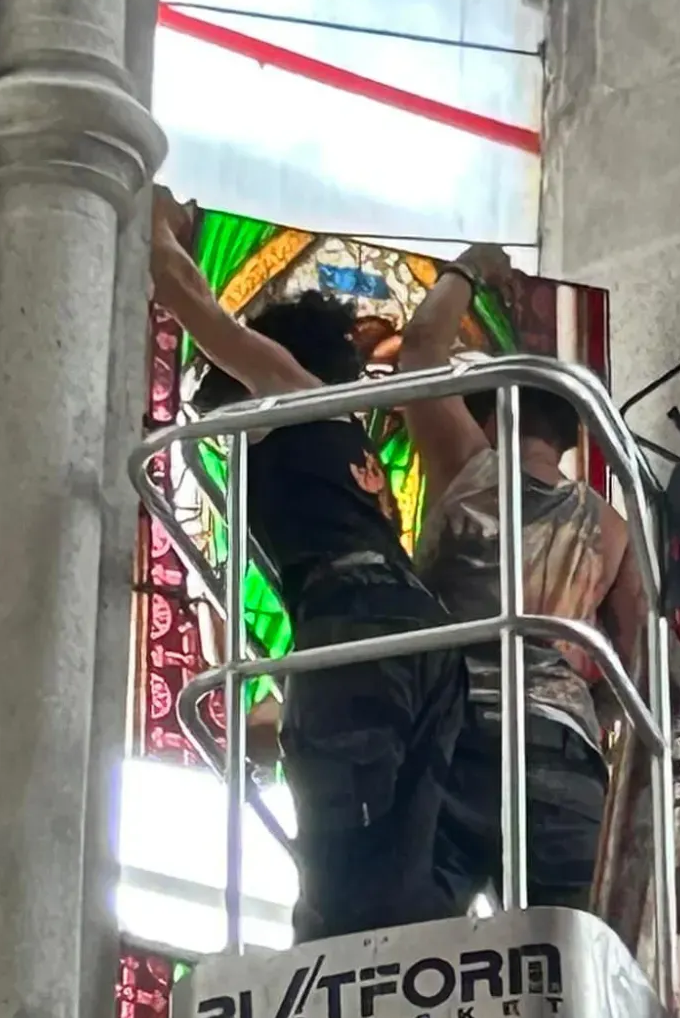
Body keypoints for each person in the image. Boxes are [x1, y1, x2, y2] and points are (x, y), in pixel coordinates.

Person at [148, 187, 466, 942]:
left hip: (351, 616)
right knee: (404, 861)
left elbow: (186, 296)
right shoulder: (348, 440)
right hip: (422, 638)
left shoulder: (287, 393)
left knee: (340, 859)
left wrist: (160, 220)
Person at [392, 244, 645, 912]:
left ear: (485, 416)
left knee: (418, 954)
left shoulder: (469, 469)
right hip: (562, 754)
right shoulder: (615, 530)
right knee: (562, 968)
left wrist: (470, 268)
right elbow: (642, 665)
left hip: (454, 739)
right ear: (569, 437)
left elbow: (418, 348)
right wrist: (590, 720)